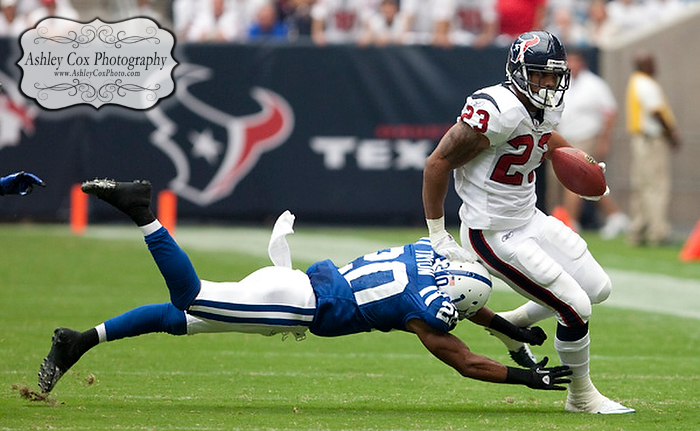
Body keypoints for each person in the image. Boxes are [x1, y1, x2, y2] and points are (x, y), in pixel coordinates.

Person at [37, 178, 572, 396]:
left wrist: (513, 336)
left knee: (178, 321)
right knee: (191, 299)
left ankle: (78, 341)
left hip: (295, 283)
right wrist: (527, 380)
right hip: (295, 307)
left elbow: (471, 313)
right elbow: (465, 360)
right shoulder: (425, 312)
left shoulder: (426, 256)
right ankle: (143, 213)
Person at [421, 30, 635, 414]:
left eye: (555, 76)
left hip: (529, 217)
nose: (549, 84)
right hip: (491, 232)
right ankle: (581, 396)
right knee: (575, 308)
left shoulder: (543, 108)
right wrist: (438, 233)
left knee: (597, 288)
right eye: (541, 75)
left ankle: (508, 323)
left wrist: (578, 161)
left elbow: (543, 137)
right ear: (519, 72)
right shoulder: (497, 109)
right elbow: (437, 163)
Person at [554, 50, 629, 238]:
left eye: (575, 61)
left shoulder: (594, 84)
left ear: (583, 63)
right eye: (568, 61)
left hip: (587, 137)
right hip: (564, 138)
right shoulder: (561, 82)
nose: (571, 65)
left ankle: (570, 222)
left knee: (575, 180)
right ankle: (616, 216)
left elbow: (610, 112)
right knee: (588, 183)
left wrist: (604, 140)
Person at [625, 52, 680, 246]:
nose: (655, 66)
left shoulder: (635, 81)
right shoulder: (646, 83)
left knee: (641, 186)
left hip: (641, 141)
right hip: (652, 141)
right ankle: (658, 232)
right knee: (656, 186)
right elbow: (656, 111)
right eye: (652, 62)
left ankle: (638, 230)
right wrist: (672, 134)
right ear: (645, 65)